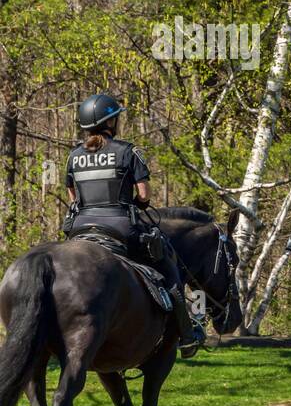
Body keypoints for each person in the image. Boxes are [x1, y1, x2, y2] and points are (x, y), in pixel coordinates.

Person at [64, 93, 205, 357]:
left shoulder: (74, 156)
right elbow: (144, 195)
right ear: (111, 122)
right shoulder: (128, 152)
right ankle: (187, 335)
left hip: (80, 229)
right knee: (168, 267)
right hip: (119, 227)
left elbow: (73, 196)